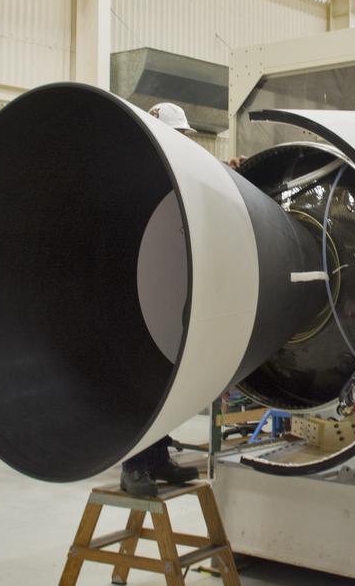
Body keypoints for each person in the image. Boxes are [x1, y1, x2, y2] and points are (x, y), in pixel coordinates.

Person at [120, 102, 205, 496]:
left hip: (171, 295)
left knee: (167, 380)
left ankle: (157, 459)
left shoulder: (177, 174)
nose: (181, 143)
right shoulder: (141, 177)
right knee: (145, 383)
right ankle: (135, 466)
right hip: (138, 301)